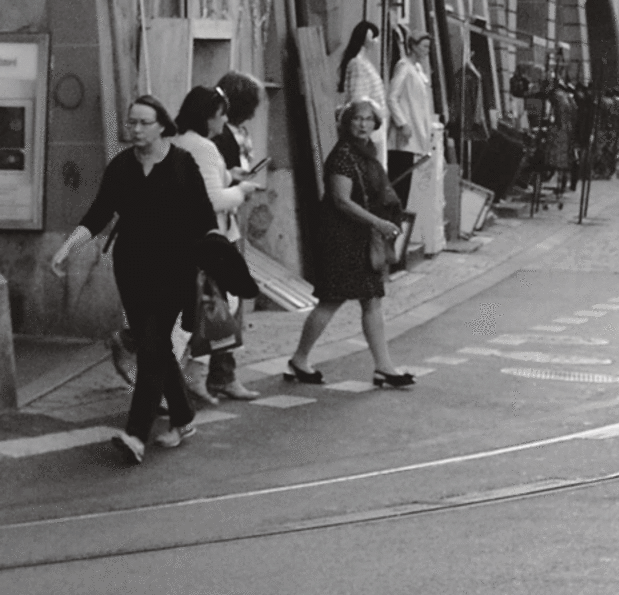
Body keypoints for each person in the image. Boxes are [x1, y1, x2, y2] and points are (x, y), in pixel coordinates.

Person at [50, 96, 218, 464]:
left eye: (144, 122)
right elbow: (98, 213)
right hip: (132, 269)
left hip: (175, 267)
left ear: (162, 125)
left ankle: (136, 434)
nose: (136, 130)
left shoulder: (181, 164)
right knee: (153, 343)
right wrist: (67, 248)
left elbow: (205, 219)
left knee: (154, 344)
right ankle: (184, 416)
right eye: (131, 123)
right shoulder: (122, 166)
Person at [285, 99, 415, 388]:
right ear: (347, 122)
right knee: (331, 300)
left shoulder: (368, 154)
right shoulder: (343, 156)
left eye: (369, 119)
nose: (363, 124)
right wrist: (377, 222)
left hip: (363, 238)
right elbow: (341, 201)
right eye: (358, 118)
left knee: (371, 300)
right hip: (342, 237)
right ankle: (299, 359)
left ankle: (384, 367)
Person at [172, 86, 265, 402]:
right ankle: (189, 378)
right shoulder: (203, 147)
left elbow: (205, 182)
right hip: (209, 238)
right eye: (220, 113)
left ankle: (193, 377)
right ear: (208, 115)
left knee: (203, 309)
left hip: (184, 237)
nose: (224, 120)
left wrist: (230, 174)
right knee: (215, 308)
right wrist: (243, 191)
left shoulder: (178, 141)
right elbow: (211, 198)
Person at [387, 32, 434, 206]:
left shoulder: (418, 70)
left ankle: (400, 219)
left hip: (416, 132)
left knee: (407, 181)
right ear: (413, 46)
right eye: (424, 46)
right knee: (399, 178)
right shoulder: (404, 66)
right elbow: (392, 97)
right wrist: (402, 123)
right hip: (405, 134)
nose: (427, 51)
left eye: (428, 47)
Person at [338, 21, 388, 130]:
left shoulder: (364, 62)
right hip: (367, 124)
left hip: (374, 120)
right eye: (373, 37)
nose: (376, 41)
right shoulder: (357, 64)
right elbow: (358, 97)